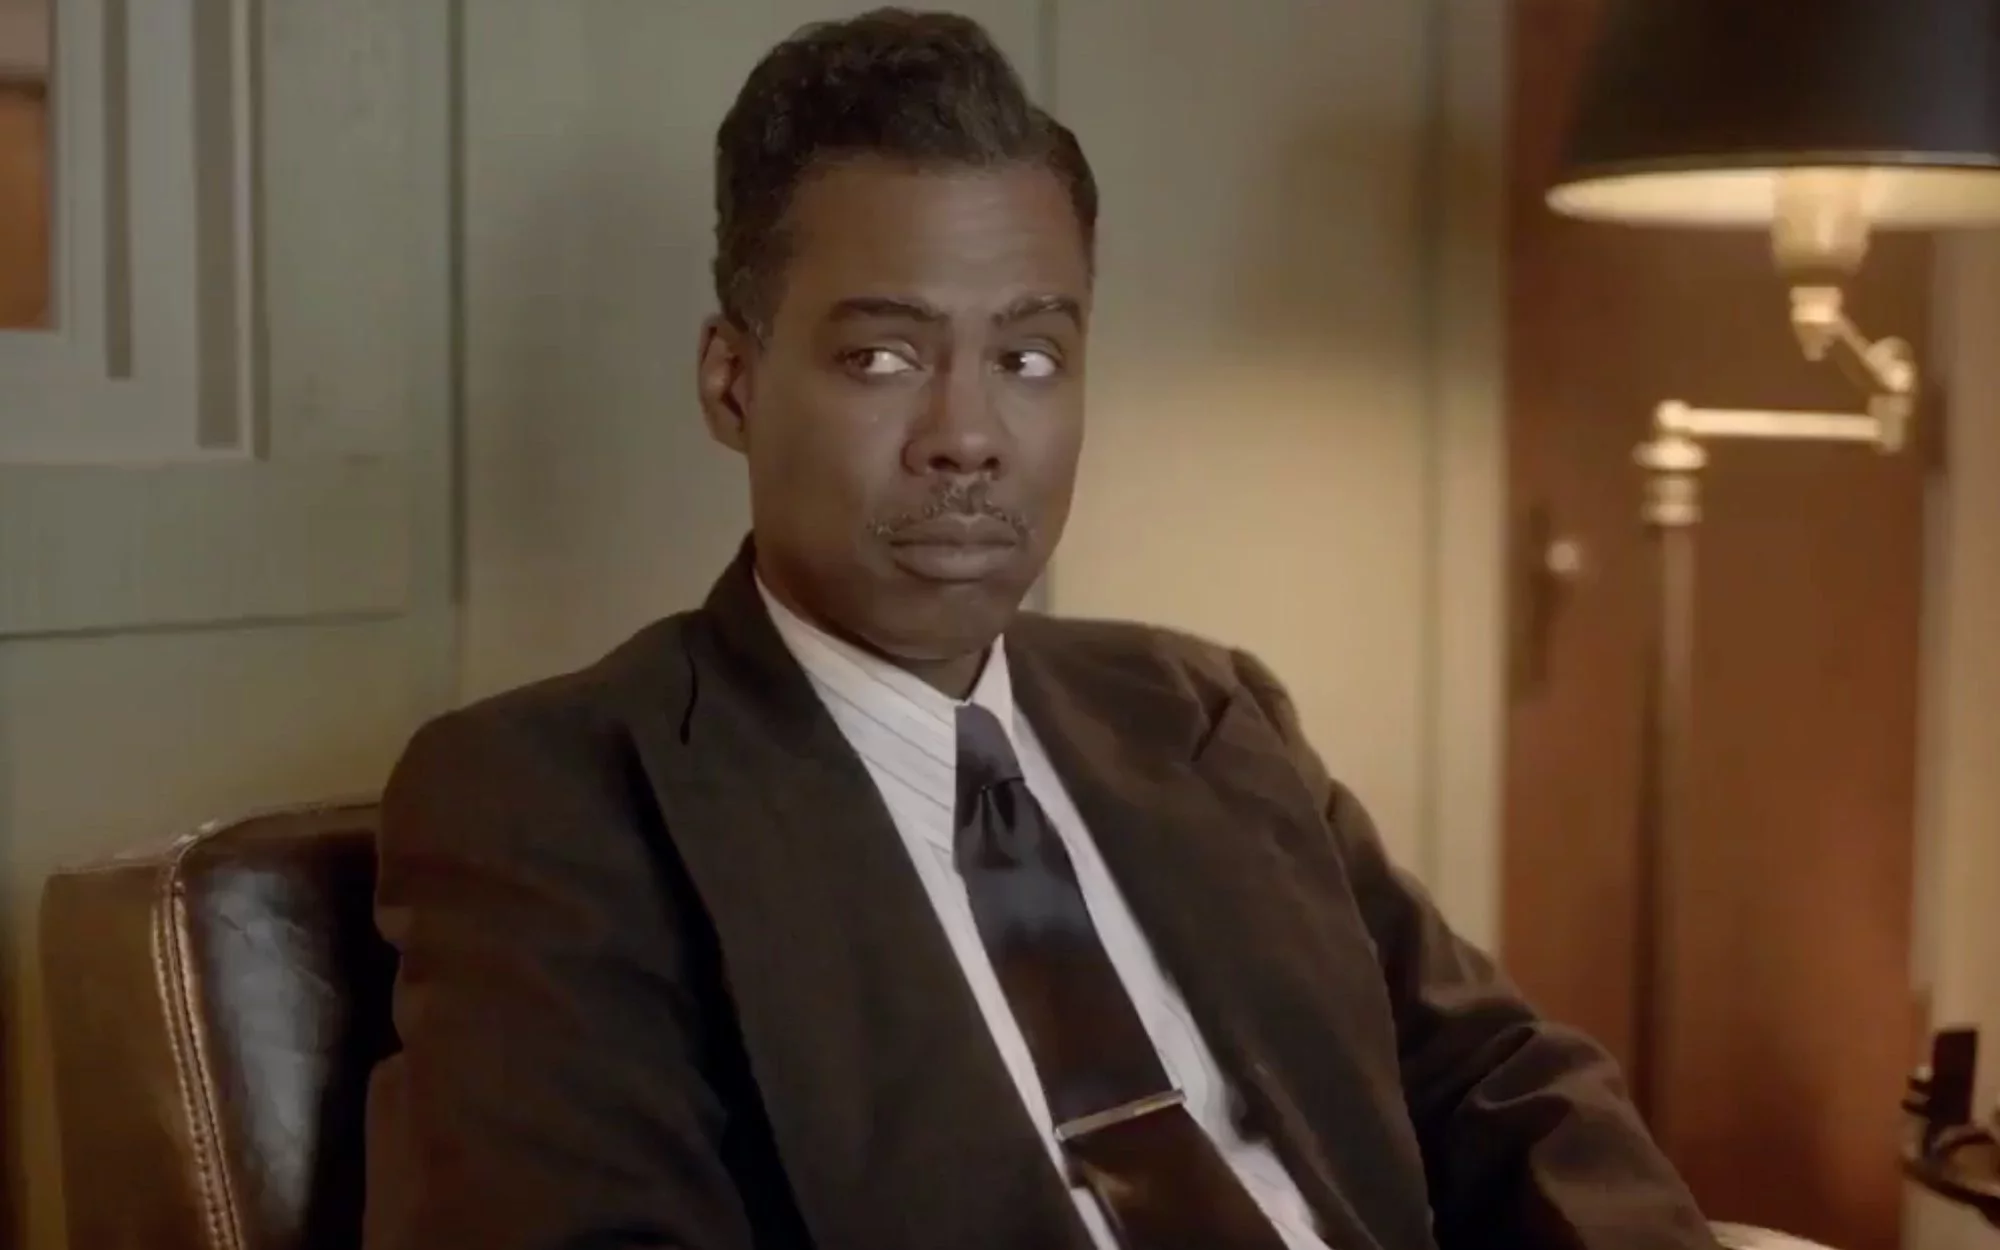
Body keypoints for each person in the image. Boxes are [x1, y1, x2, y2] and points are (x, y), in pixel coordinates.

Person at [362, 9, 1719, 1250]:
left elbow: (1500, 1078)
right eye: (883, 356)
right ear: (733, 382)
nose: (968, 438)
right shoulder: (555, 803)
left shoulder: (1200, 710)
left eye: (1027, 359)